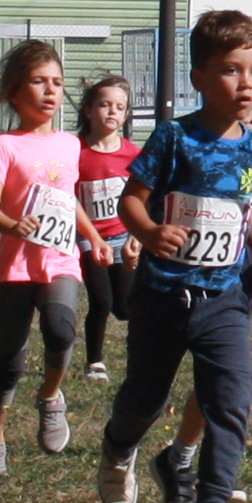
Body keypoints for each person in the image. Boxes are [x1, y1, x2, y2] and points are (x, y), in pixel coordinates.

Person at [96, 7, 252, 503]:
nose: (247, 84)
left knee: (231, 400)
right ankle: (119, 449)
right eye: (231, 70)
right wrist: (149, 230)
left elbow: (239, 210)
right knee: (144, 399)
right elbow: (132, 201)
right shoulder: (175, 138)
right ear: (199, 78)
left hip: (224, 297)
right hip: (164, 295)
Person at [0, 42, 92, 473]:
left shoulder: (71, 145)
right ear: (14, 92)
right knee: (10, 361)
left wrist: (92, 236)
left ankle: (50, 395)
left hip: (60, 260)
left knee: (61, 331)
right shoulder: (5, 145)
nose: (50, 91)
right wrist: (10, 225)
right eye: (38, 82)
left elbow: (69, 199)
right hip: (15, 267)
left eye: (57, 83)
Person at [71, 74, 136, 377]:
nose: (112, 112)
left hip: (123, 238)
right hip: (88, 237)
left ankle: (140, 359)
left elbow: (143, 199)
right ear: (88, 110)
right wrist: (90, 236)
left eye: (119, 107)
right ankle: (94, 361)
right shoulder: (75, 152)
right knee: (102, 300)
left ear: (125, 115)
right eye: (105, 105)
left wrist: (137, 236)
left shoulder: (133, 155)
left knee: (124, 308)